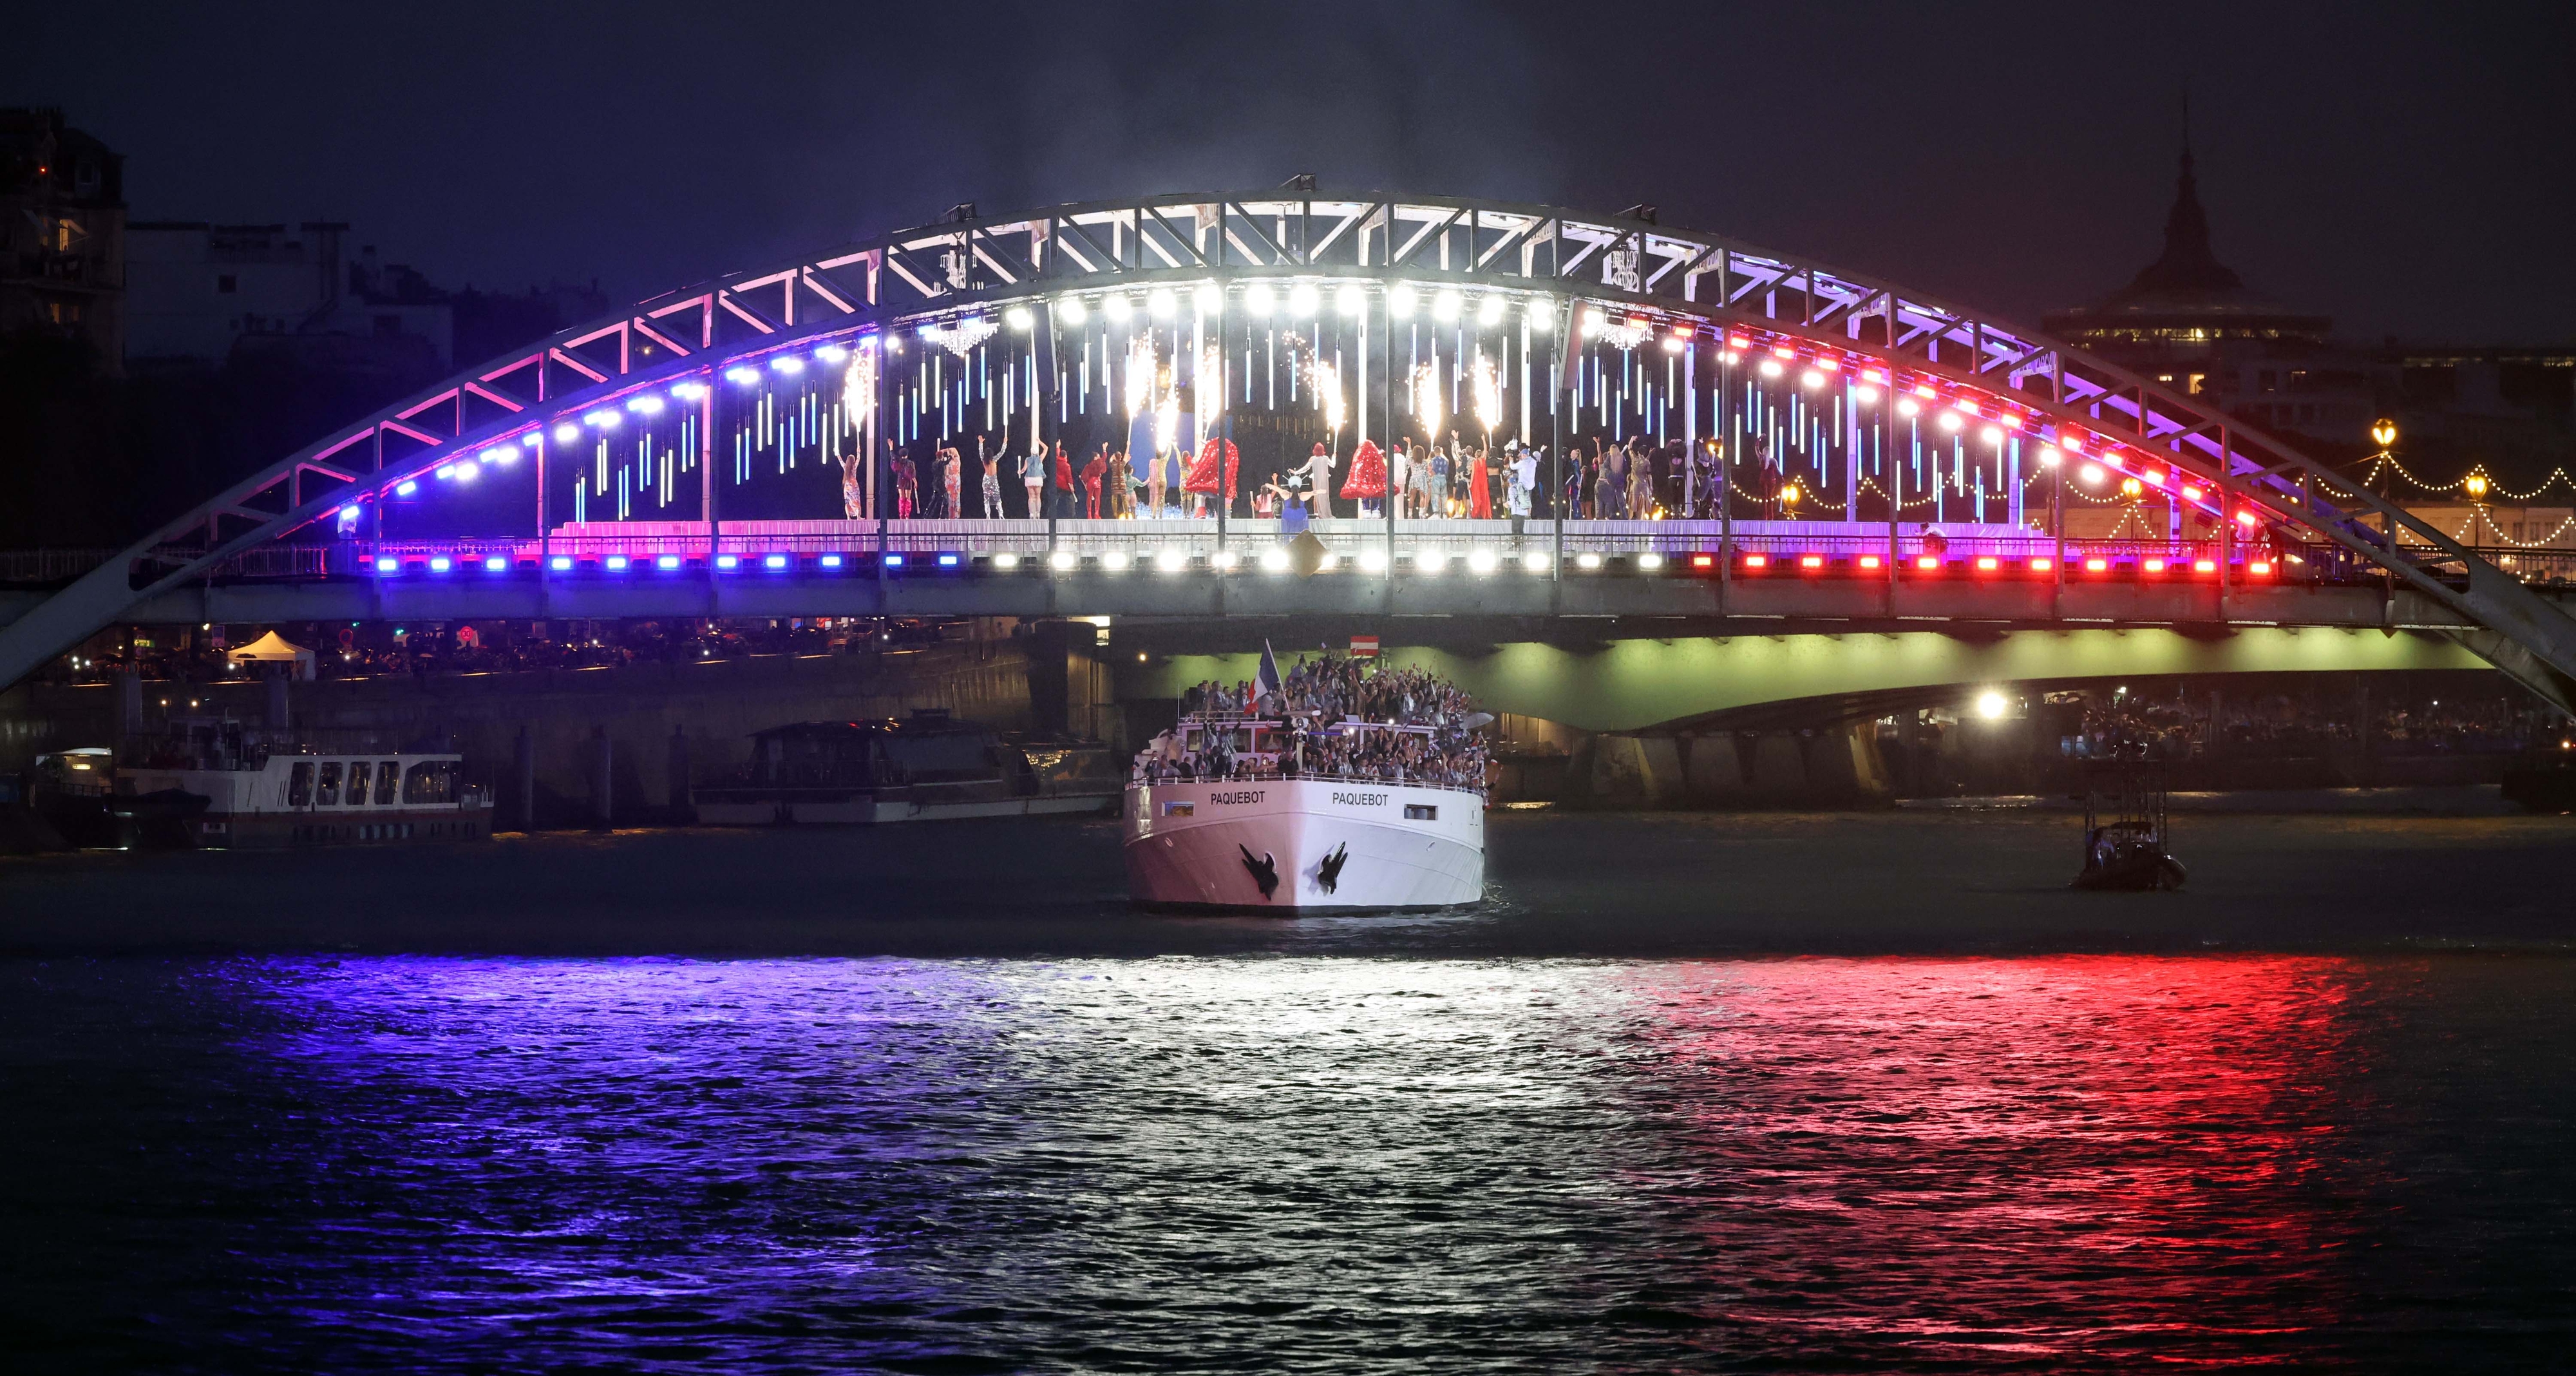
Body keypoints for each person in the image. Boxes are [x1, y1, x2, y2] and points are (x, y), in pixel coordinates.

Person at [1340, 439, 1387, 518]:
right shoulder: (1376, 456)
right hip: (1375, 479)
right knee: (1375, 493)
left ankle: (1367, 510)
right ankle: (1375, 510)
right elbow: (1381, 467)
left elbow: (1357, 468)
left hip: (1365, 479)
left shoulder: (1361, 457)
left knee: (1365, 493)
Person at [1021, 439, 1047, 519]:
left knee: (1031, 497)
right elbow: (1046, 448)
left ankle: (1032, 514)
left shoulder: (1027, 460)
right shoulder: (1040, 459)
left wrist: (1020, 472)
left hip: (1030, 479)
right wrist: (1039, 442)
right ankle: (1038, 513)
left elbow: (1024, 469)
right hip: (1038, 478)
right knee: (1038, 496)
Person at [1468, 443, 1492, 519]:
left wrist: (1470, 484)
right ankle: (1484, 513)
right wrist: (1484, 441)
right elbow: (1485, 449)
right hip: (1483, 482)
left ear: (1476, 455)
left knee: (1477, 497)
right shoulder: (1483, 460)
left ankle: (1477, 514)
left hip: (1477, 482)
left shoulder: (1474, 462)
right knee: (1484, 497)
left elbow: (1473, 474)